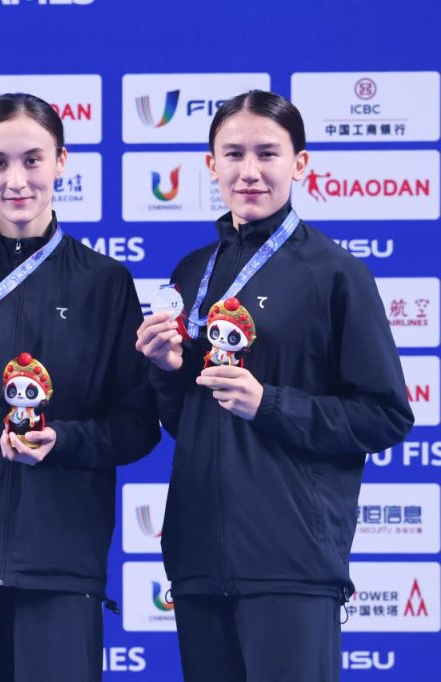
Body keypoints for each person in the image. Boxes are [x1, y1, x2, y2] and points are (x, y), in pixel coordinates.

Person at [135, 90, 414, 682]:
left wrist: (270, 403)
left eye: (267, 153)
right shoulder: (192, 272)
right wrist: (165, 372)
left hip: (291, 561)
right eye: (233, 154)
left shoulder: (335, 273)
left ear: (300, 163)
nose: (250, 171)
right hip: (197, 557)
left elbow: (386, 414)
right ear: (211, 164)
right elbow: (187, 421)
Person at [0, 92, 160, 681]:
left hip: (61, 560)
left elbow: (137, 427)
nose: (16, 180)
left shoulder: (104, 283)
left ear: (61, 162)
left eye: (32, 160)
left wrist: (63, 441)